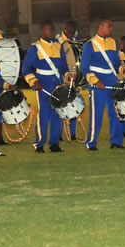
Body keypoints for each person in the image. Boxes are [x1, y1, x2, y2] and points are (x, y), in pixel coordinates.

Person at [21, 21, 73, 153]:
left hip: (57, 84)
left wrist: (68, 76)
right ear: (42, 31)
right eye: (49, 30)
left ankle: (54, 144)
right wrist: (34, 81)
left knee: (57, 114)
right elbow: (25, 69)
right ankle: (39, 144)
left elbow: (63, 67)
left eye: (53, 30)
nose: (52, 32)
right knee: (43, 115)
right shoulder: (35, 48)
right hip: (43, 85)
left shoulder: (58, 46)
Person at [80, 18, 125, 150]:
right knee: (96, 113)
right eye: (108, 27)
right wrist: (95, 81)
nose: (111, 29)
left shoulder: (113, 42)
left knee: (116, 112)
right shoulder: (89, 45)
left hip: (111, 80)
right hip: (98, 82)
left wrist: (123, 69)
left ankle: (116, 142)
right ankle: (91, 143)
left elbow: (116, 63)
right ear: (100, 27)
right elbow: (84, 67)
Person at [57, 19, 79, 140]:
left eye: (73, 32)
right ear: (65, 29)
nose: (71, 34)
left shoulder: (75, 41)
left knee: (73, 104)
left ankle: (73, 133)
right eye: (69, 31)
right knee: (61, 105)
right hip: (62, 77)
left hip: (74, 77)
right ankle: (58, 133)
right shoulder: (58, 41)